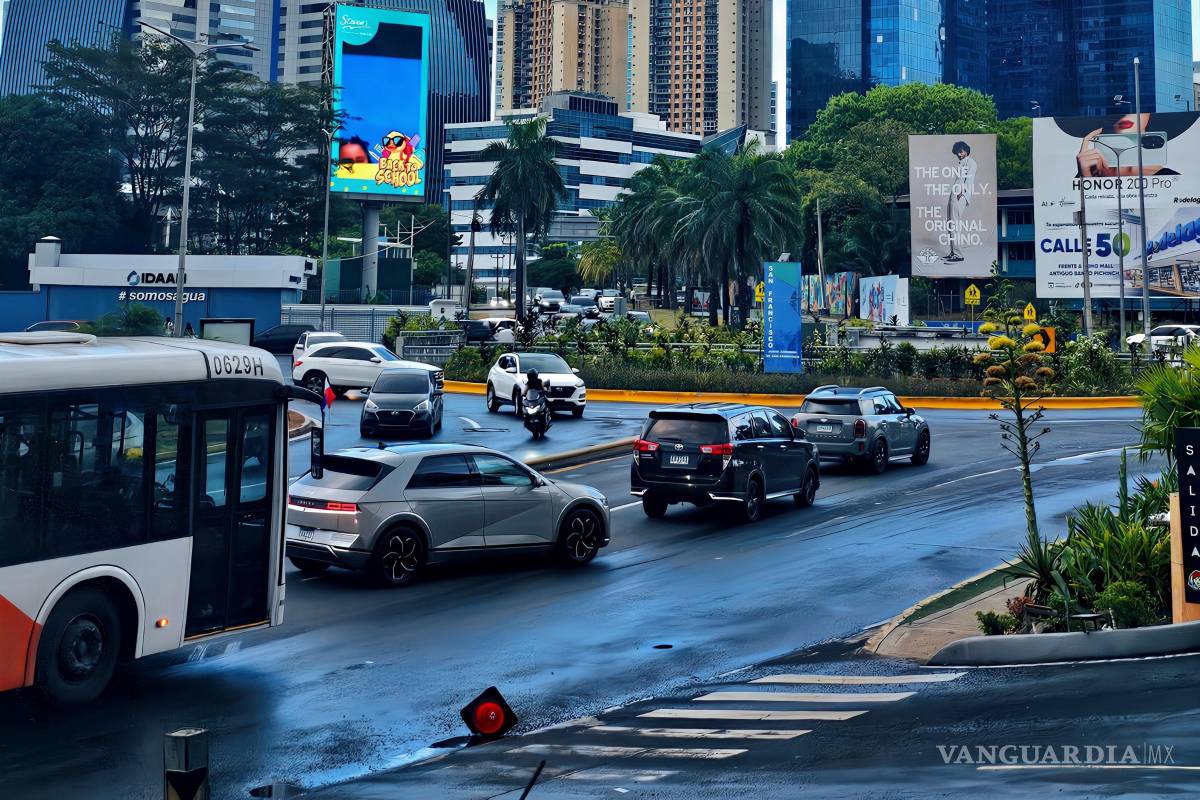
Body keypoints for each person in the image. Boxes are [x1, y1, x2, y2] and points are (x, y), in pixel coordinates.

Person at [945, 140, 976, 264]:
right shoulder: (962, 163)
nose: (959, 154)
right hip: (955, 193)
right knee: (950, 224)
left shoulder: (971, 162)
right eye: (957, 152)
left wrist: (962, 193)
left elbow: (969, 179)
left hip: (960, 194)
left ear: (966, 151)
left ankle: (958, 254)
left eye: (961, 151)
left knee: (954, 224)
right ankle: (953, 252)